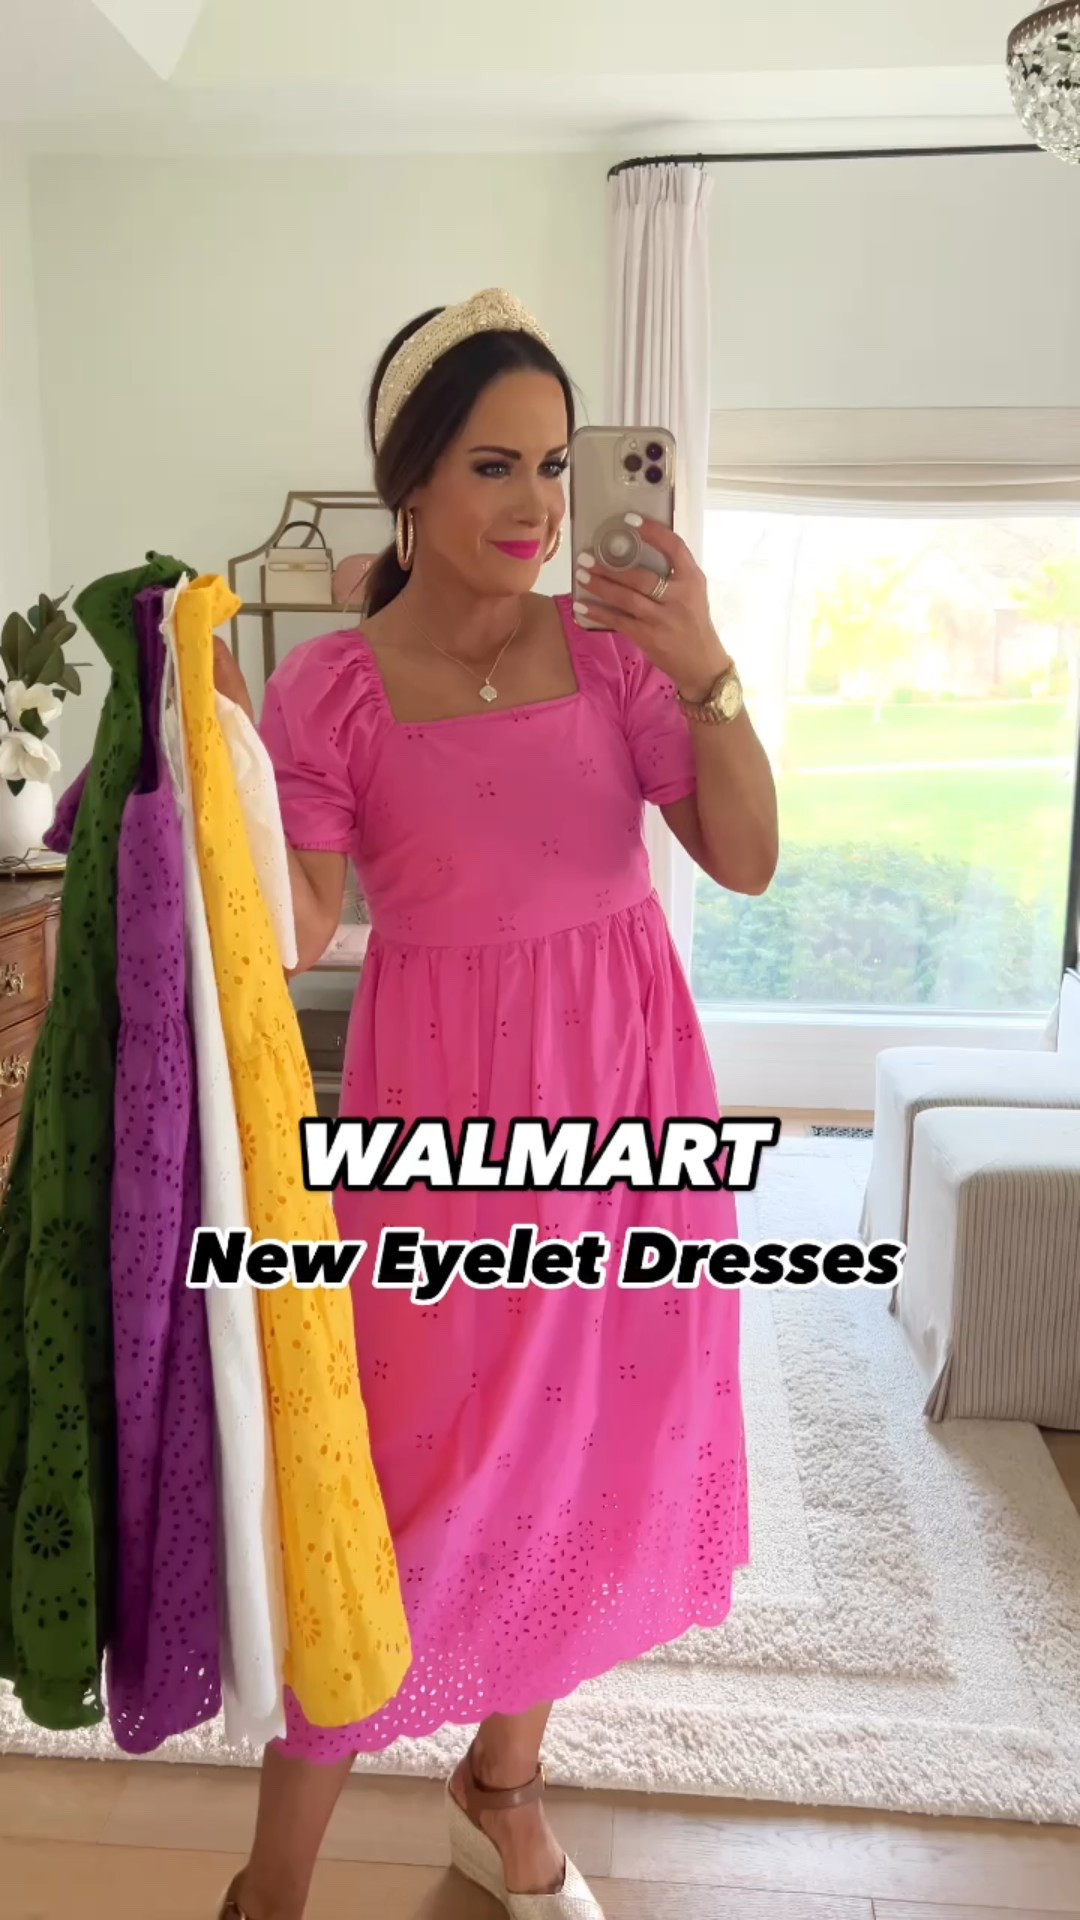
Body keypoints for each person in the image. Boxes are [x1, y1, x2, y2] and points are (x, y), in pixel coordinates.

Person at [212, 288, 778, 1920]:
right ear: (410, 479)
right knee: (395, 1490)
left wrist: (709, 668)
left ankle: (503, 1787)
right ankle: (270, 1888)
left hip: (633, 1114)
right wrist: (231, 772)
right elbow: (300, 926)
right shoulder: (336, 689)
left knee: (591, 1454)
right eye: (492, 466)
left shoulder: (617, 659)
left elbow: (745, 859)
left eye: (552, 465)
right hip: (442, 1140)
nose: (536, 505)